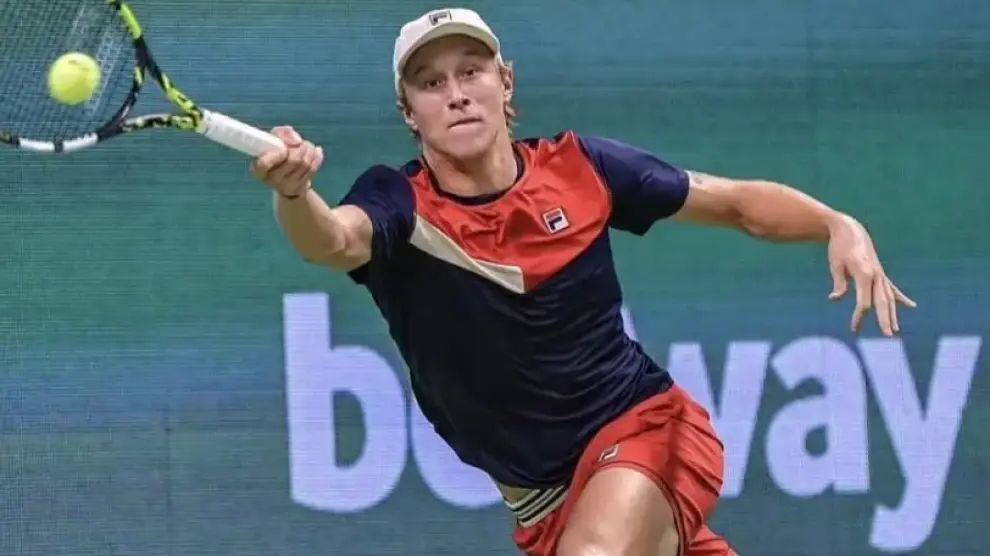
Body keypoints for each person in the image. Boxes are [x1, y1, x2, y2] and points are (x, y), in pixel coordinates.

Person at [251, 8, 916, 556]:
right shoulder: (400, 202)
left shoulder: (580, 168)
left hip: (647, 429)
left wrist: (837, 224)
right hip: (547, 507)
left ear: (505, 81)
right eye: (431, 82)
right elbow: (332, 239)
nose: (456, 93)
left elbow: (736, 203)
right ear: (408, 111)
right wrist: (295, 194)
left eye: (472, 71)